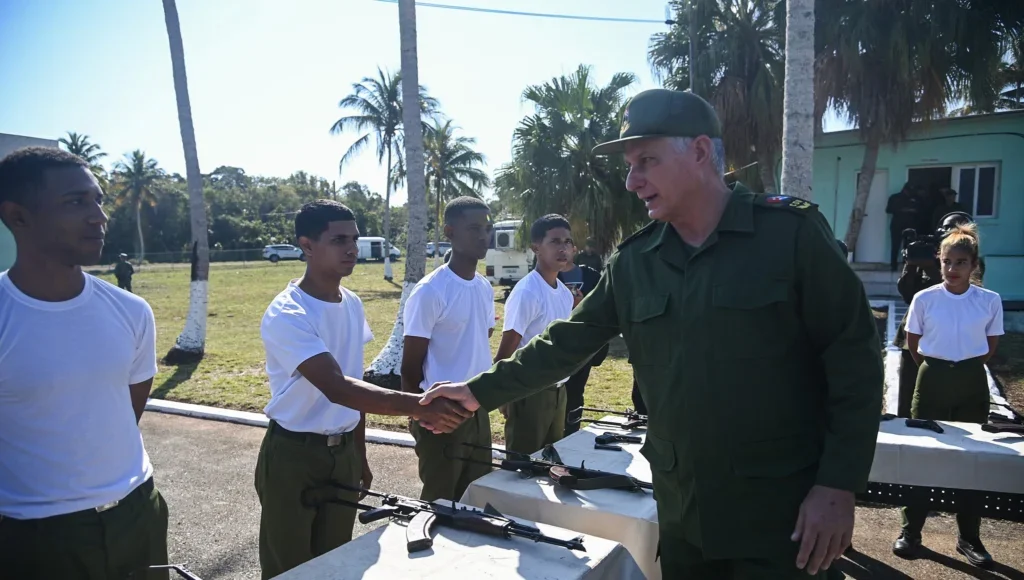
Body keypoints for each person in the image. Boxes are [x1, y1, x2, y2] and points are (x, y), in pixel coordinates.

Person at [420, 88, 883, 579]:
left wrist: (838, 486)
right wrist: (476, 391)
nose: (632, 179)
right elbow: (564, 344)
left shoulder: (789, 236)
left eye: (646, 161)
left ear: (700, 151)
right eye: (628, 164)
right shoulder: (636, 262)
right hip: (683, 517)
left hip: (780, 518)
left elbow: (854, 362)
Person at [255, 199, 474, 579]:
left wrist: (358, 454)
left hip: (341, 454)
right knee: (289, 566)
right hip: (293, 454)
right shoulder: (287, 312)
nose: (352, 249)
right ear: (307, 246)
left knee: (336, 561)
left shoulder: (351, 303)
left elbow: (354, 381)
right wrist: (420, 405)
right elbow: (337, 388)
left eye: (354, 239)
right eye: (338, 240)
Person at [0, 147, 169, 579]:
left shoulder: (131, 311)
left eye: (97, 200)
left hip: (138, 514)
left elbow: (126, 411)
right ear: (18, 217)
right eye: (76, 202)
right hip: (36, 536)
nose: (99, 216)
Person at [893, 223, 1002, 569]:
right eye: (947, 262)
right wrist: (937, 368)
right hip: (932, 379)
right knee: (923, 456)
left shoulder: (989, 301)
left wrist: (964, 367)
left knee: (971, 460)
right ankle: (911, 531)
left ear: (974, 266)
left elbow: (990, 346)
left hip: (971, 380)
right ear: (938, 262)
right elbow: (914, 343)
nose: (952, 269)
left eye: (960, 262)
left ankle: (969, 537)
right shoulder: (925, 298)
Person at [401, 197, 496, 502]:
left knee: (476, 498)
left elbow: (481, 339)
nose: (483, 236)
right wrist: (419, 416)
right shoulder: (431, 290)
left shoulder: (483, 287)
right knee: (440, 504)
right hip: (441, 415)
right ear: (450, 232)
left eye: (487, 228)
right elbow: (410, 365)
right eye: (474, 228)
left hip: (478, 407)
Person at [494, 214, 575, 454]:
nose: (563, 248)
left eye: (568, 242)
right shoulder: (527, 291)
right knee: (522, 468)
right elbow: (506, 350)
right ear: (536, 248)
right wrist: (503, 395)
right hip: (530, 392)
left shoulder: (564, 294)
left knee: (550, 466)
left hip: (559, 391)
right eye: (555, 241)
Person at [559, 240, 609, 435]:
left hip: (582, 345)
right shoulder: (547, 275)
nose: (562, 250)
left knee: (575, 393)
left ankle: (571, 433)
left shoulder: (591, 275)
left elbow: (602, 307)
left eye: (567, 245)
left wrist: (581, 303)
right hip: (556, 344)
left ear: (575, 250)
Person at [885, 183, 921, 272]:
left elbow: (920, 210)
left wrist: (913, 211)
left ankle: (906, 266)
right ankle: (893, 265)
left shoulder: (914, 199)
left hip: (909, 225)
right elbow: (888, 209)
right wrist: (902, 210)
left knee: (908, 246)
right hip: (897, 225)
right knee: (895, 245)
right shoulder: (895, 197)